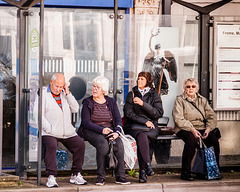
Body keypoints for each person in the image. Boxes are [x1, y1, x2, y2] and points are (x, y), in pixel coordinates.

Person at [78, 76, 130, 186]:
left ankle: (120, 176)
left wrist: (117, 132)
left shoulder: (111, 102)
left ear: (103, 90)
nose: (94, 89)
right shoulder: (87, 102)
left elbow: (118, 120)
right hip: (91, 130)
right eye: (93, 86)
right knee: (103, 145)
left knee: (119, 145)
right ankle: (101, 176)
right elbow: (86, 122)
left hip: (109, 130)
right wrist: (101, 130)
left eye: (97, 87)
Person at [42, 73, 86, 187]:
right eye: (57, 86)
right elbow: (37, 115)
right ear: (51, 82)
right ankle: (51, 176)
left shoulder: (65, 94)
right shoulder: (43, 94)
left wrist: (68, 93)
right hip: (49, 131)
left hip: (66, 131)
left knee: (80, 145)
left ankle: (76, 174)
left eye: (61, 86)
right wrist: (49, 128)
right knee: (51, 145)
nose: (58, 89)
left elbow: (75, 109)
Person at [172, 78, 220, 181]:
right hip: (184, 128)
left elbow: (211, 116)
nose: (190, 89)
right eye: (188, 87)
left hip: (202, 127)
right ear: (185, 89)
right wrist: (192, 129)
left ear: (197, 89)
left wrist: (208, 129)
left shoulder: (203, 100)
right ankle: (186, 172)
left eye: (193, 86)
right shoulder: (180, 100)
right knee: (191, 141)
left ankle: (212, 170)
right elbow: (178, 118)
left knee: (213, 141)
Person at [123, 71, 164, 183]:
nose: (139, 81)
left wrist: (143, 104)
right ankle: (146, 167)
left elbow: (158, 113)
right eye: (138, 78)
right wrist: (145, 121)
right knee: (142, 136)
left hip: (151, 128)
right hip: (134, 126)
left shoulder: (154, 95)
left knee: (143, 137)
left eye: (142, 79)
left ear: (148, 81)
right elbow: (128, 113)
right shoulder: (131, 94)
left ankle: (144, 170)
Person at [142, 27, 177, 95]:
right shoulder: (150, 56)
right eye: (156, 49)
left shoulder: (164, 57)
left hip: (159, 74)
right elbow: (150, 46)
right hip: (152, 74)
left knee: (161, 85)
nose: (157, 51)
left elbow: (170, 66)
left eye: (159, 49)